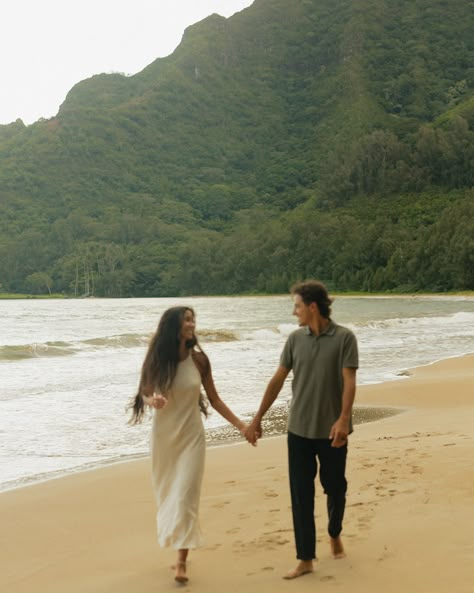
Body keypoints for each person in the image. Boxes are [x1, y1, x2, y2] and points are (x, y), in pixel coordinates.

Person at [245, 280, 358, 579]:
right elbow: (278, 380)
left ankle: (334, 532)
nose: (294, 312)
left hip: (333, 430)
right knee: (300, 494)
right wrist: (257, 419)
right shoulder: (295, 340)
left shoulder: (345, 338)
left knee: (335, 486)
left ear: (312, 307)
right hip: (298, 430)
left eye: (297, 306)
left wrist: (344, 419)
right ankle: (305, 557)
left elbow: (349, 382)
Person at [129, 306, 247, 584]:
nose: (192, 324)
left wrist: (242, 426)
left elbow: (215, 400)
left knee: (185, 496)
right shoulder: (158, 359)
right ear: (174, 327)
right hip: (164, 439)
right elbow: (145, 392)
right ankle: (175, 542)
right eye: (186, 320)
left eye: (193, 319)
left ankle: (181, 562)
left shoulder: (200, 361)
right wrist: (153, 401)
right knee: (168, 494)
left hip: (192, 437)